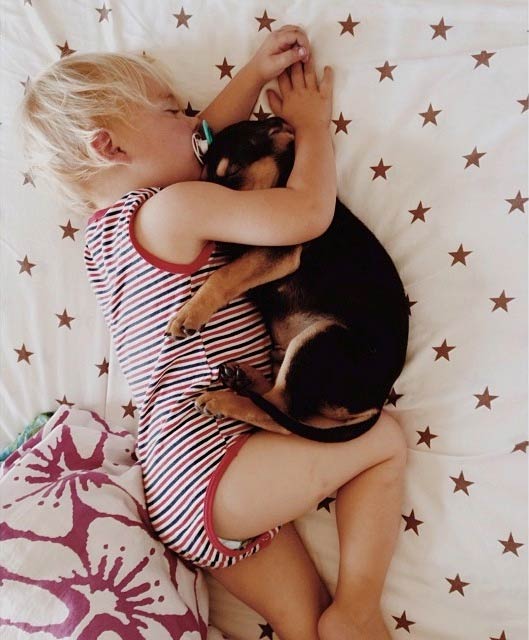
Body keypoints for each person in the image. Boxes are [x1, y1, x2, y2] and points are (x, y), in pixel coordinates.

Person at [19, 26, 407, 640]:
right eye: (174, 112)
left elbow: (193, 142)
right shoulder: (172, 208)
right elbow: (307, 215)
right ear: (110, 147)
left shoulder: (104, 242)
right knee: (381, 439)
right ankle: (360, 603)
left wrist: (253, 73)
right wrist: (311, 127)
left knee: (303, 626)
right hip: (214, 465)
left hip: (179, 488)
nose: (199, 123)